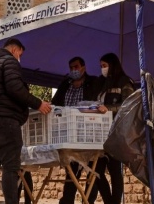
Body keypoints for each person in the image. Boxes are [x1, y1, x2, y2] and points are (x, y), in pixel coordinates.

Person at [0, 38, 51, 204]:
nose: (20, 58)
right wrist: (39, 104)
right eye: (20, 54)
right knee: (10, 168)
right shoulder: (9, 61)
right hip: (5, 121)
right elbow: (15, 88)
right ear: (15, 50)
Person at [52, 57, 99, 204]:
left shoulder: (93, 83)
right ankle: (68, 200)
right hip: (69, 134)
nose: (74, 70)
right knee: (71, 172)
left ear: (83, 67)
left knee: (92, 170)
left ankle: (88, 200)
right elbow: (55, 103)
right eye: (71, 67)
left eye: (76, 67)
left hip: (89, 131)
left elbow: (97, 103)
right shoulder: (65, 84)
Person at [91, 53, 135, 204]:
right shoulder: (100, 82)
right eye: (101, 66)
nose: (102, 69)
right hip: (99, 132)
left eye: (105, 66)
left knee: (115, 172)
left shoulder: (124, 81)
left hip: (116, 132)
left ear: (113, 65)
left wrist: (108, 109)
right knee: (95, 171)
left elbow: (128, 106)